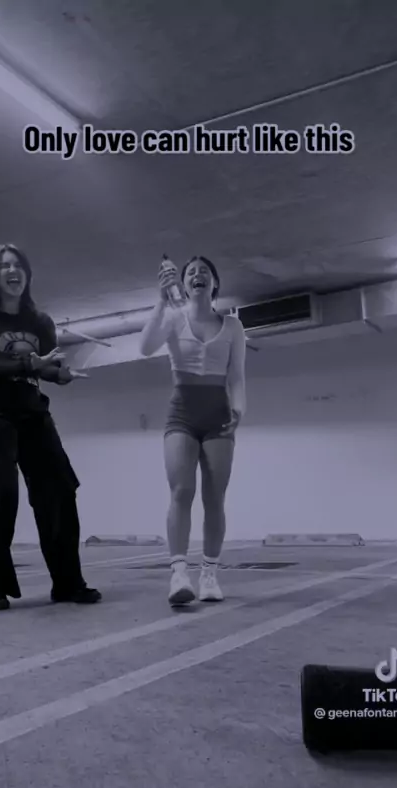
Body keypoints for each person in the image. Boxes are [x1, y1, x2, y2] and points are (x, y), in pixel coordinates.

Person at [0, 243, 102, 611]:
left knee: (58, 490)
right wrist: (29, 365)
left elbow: (46, 366)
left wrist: (60, 374)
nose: (12, 271)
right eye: (4, 266)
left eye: (18, 265)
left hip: (30, 409)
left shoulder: (40, 321)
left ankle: (68, 582)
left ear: (27, 275)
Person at [139, 255, 246, 605]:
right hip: (182, 412)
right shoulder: (173, 318)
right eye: (191, 272)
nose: (197, 275)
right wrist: (160, 301)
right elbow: (145, 347)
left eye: (204, 271)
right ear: (183, 285)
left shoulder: (233, 326)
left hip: (219, 414)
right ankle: (179, 574)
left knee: (214, 497)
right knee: (181, 490)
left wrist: (239, 409)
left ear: (214, 283)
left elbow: (237, 376)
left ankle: (209, 574)